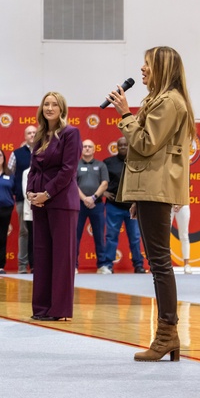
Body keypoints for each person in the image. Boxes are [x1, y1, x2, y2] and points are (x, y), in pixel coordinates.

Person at [108, 46, 195, 362]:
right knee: (159, 264)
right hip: (150, 190)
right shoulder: (159, 100)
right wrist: (138, 196)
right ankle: (166, 336)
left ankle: (167, 333)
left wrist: (125, 114)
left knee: (160, 264)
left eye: (146, 65)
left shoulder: (169, 102)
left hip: (157, 190)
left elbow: (144, 144)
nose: (141, 70)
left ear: (161, 67)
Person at [26, 92, 80, 321]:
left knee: (62, 257)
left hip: (61, 202)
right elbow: (33, 168)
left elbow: (68, 170)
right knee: (42, 254)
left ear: (62, 109)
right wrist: (30, 192)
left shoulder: (71, 133)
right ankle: (41, 308)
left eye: (54, 104)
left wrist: (46, 194)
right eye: (46, 104)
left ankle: (60, 310)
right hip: (39, 202)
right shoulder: (39, 135)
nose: (49, 108)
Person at [102, 137, 146, 274]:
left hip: (132, 207)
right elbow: (99, 180)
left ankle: (138, 265)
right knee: (111, 236)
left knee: (135, 237)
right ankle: (108, 265)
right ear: (116, 146)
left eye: (126, 144)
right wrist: (104, 192)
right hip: (113, 206)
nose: (123, 147)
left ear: (130, 146)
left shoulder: (138, 162)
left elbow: (142, 182)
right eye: (120, 145)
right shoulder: (108, 163)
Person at [75, 140, 109, 273]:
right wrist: (84, 199)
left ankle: (102, 265)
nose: (87, 149)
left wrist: (93, 197)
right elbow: (73, 184)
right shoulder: (75, 165)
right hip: (79, 204)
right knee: (75, 236)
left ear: (94, 149)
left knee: (100, 235)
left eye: (90, 147)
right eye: (85, 146)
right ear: (81, 149)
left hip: (97, 204)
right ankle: (74, 266)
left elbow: (104, 184)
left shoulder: (101, 165)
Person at [8, 125, 36, 273]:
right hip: (22, 199)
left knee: (39, 232)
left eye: (34, 133)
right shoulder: (17, 154)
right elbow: (10, 174)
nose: (32, 135)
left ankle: (37, 265)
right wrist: (17, 191)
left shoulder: (44, 151)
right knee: (24, 231)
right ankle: (22, 265)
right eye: (29, 133)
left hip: (42, 200)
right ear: (25, 136)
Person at [171, 204, 192, 273]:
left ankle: (186, 264)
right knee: (165, 235)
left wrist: (180, 204)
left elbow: (186, 192)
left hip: (183, 205)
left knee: (184, 235)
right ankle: (165, 263)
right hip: (168, 204)